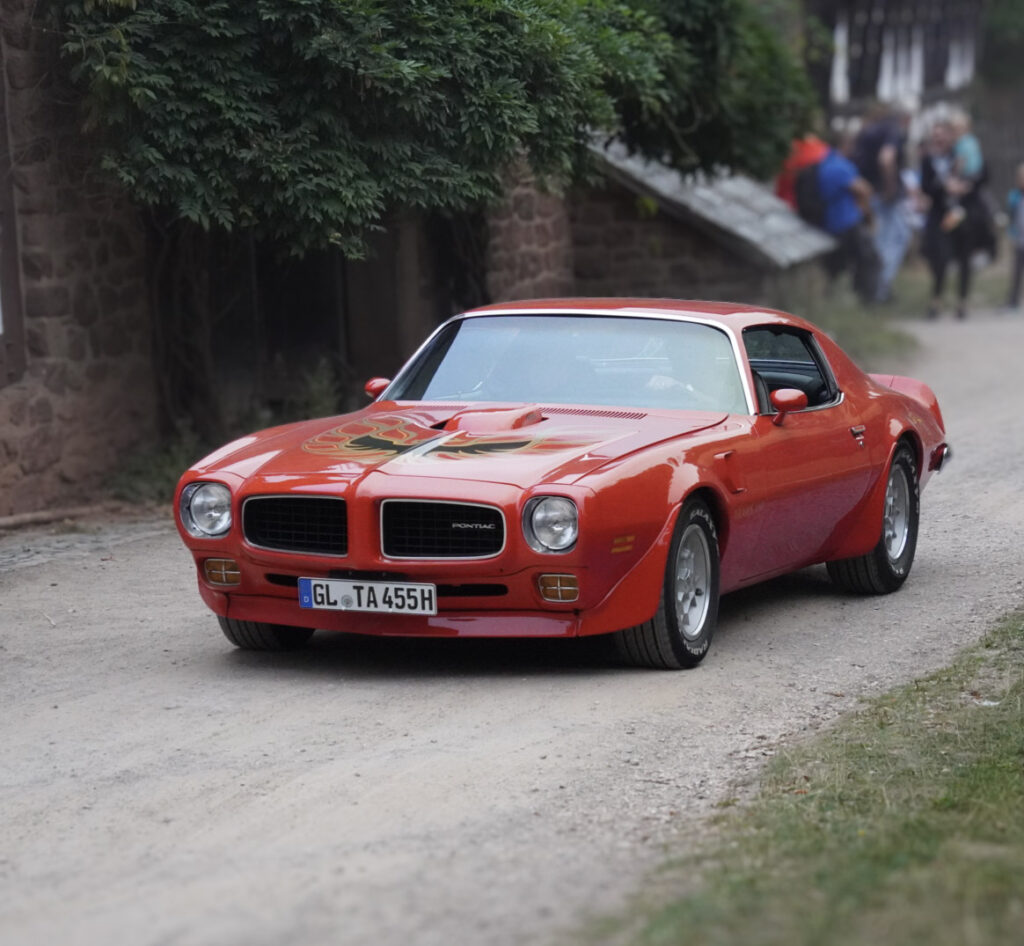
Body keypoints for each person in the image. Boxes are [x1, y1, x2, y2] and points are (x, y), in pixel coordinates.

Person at [920, 119, 989, 320]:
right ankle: (936, 300)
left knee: (965, 257)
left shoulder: (962, 153)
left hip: (962, 213)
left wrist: (966, 185)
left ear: (951, 136)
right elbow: (926, 187)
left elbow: (983, 175)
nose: (939, 138)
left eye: (943, 134)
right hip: (940, 215)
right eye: (936, 135)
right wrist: (944, 187)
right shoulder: (928, 160)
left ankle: (962, 302)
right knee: (939, 259)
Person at [854, 105, 912, 302]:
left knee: (881, 240)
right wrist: (890, 187)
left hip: (869, 191)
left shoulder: (868, 131)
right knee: (895, 239)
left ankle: (876, 288)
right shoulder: (892, 130)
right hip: (883, 193)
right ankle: (880, 289)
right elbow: (886, 159)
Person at [818, 130, 879, 304]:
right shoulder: (840, 166)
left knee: (838, 264)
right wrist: (868, 214)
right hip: (848, 222)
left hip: (832, 222)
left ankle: (834, 296)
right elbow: (864, 189)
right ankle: (868, 299)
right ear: (845, 145)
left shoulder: (825, 163)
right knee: (868, 260)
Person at [1006, 162, 1024, 309]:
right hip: (1019, 240)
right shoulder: (1014, 197)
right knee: (1016, 272)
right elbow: (1011, 218)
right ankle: (1013, 301)